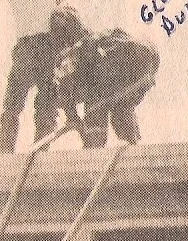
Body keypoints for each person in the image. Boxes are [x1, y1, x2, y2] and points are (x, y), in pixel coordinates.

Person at [52, 9, 160, 150]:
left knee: (96, 106)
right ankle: (131, 141)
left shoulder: (74, 54)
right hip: (147, 61)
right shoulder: (95, 40)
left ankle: (95, 148)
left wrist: (73, 117)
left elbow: (67, 90)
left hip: (125, 61)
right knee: (120, 109)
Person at [0, 0, 64, 154]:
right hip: (25, 48)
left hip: (48, 46)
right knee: (12, 103)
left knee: (47, 102)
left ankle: (41, 150)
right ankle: (5, 152)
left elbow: (63, 13)